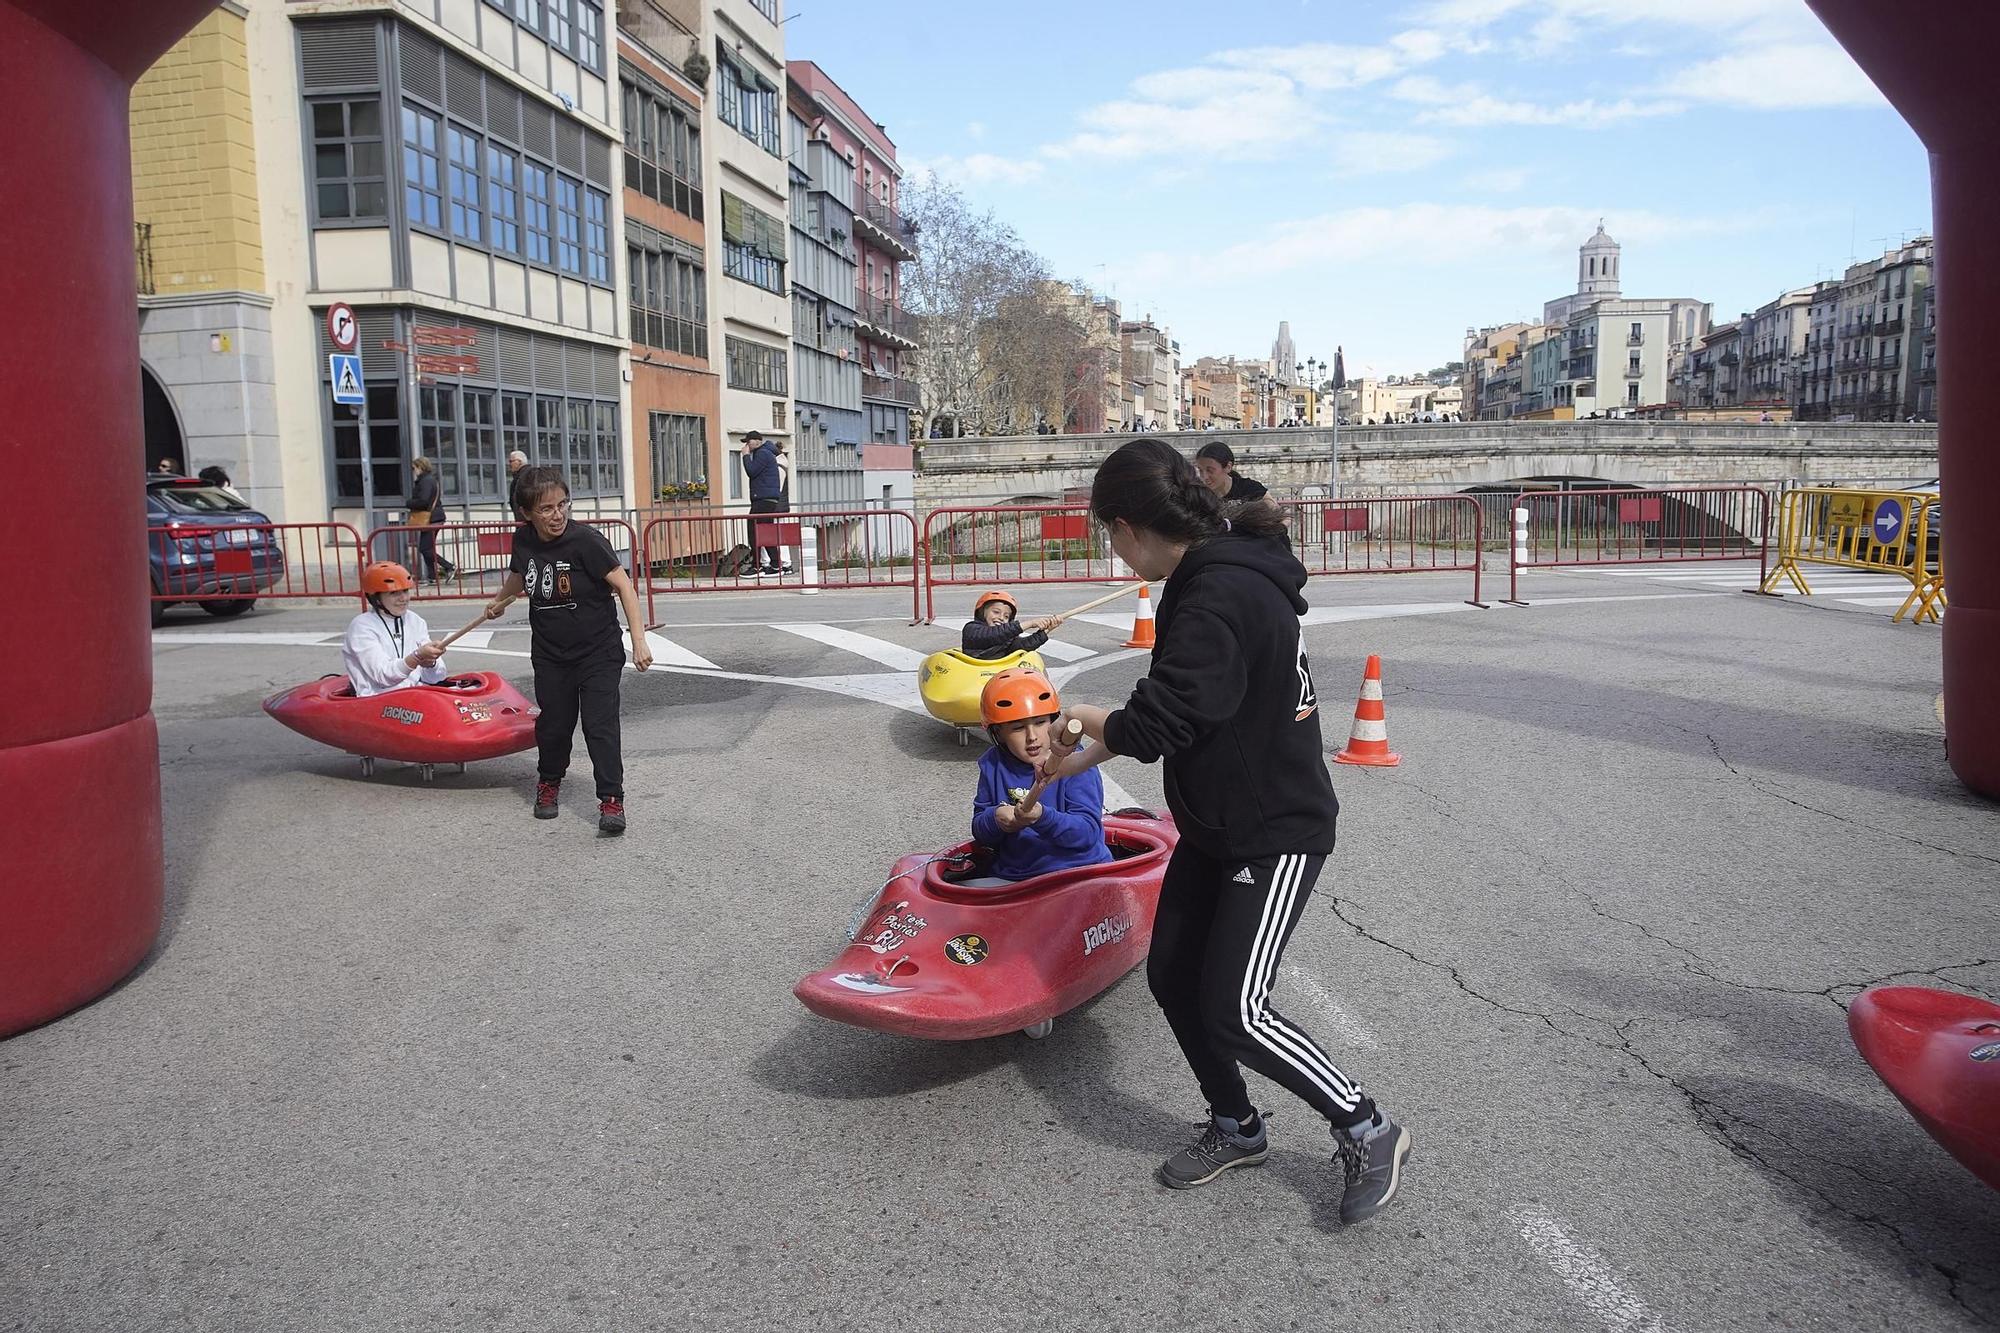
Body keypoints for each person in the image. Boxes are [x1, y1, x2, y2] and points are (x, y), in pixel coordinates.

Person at [1046, 437, 1411, 1224]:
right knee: (1176, 976)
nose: (1112, 551)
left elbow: (1162, 716)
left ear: (1129, 524)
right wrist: (1072, 762)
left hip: (1272, 828)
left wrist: (1076, 714)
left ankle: (1368, 1125)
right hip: (1217, 819)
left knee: (1237, 1009)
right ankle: (1237, 1124)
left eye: (1107, 534)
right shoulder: (1209, 569)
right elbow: (1185, 704)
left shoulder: (1216, 592)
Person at [482, 466, 653, 833]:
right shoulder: (523, 540)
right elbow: (518, 574)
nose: (557, 515)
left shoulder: (586, 541)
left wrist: (638, 640)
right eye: (546, 509)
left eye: (562, 505)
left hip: (598, 652)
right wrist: (500, 601)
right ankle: (549, 783)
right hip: (550, 653)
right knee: (555, 725)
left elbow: (624, 587)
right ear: (527, 513)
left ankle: (611, 799)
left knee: (600, 726)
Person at [965, 668, 1110, 884]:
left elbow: (1087, 833)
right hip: (1015, 877)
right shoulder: (993, 764)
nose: (1032, 737)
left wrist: (1042, 818)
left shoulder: (1075, 761)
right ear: (998, 733)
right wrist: (996, 818)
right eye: (1017, 728)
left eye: (1040, 723)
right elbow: (981, 831)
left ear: (1054, 721)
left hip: (1078, 872)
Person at [342, 561, 447, 697]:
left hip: (415, 696)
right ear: (376, 598)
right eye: (393, 593)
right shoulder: (361, 627)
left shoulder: (415, 620)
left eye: (405, 591)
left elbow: (436, 678)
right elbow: (383, 676)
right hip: (377, 701)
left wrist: (431, 664)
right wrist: (416, 657)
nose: (403, 598)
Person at [740, 431, 791, 577]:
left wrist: (745, 456)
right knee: (764, 532)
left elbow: (752, 471)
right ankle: (775, 565)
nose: (746, 445)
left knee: (753, 531)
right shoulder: (768, 453)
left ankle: (757, 567)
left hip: (762, 499)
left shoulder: (762, 453)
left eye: (748, 442)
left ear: (756, 441)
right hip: (767, 499)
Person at [961, 588, 1063, 660]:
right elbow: (994, 634)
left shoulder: (1007, 638)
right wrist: (1031, 623)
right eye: (996, 612)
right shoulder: (971, 629)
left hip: (997, 678)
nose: (1001, 618)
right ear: (982, 612)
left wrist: (1047, 629)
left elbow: (1022, 646)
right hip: (974, 680)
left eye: (1006, 616)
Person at [407, 456, 454, 582]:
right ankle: (432, 576)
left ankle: (449, 567)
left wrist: (409, 503)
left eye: (414, 468)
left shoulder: (426, 481)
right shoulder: (428, 480)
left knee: (425, 548)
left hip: (432, 518)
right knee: (427, 548)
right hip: (433, 517)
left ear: (420, 467)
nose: (414, 471)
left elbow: (424, 501)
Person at [1194, 441, 1268, 503]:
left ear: (1228, 467)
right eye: (1200, 470)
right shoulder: (1198, 497)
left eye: (1210, 470)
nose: (1204, 477)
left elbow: (1276, 516)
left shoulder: (1251, 490)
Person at [505, 450, 530, 519]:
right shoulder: (524, 475)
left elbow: (517, 501)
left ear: (519, 461)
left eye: (511, 461)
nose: (509, 464)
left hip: (524, 521)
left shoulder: (523, 477)